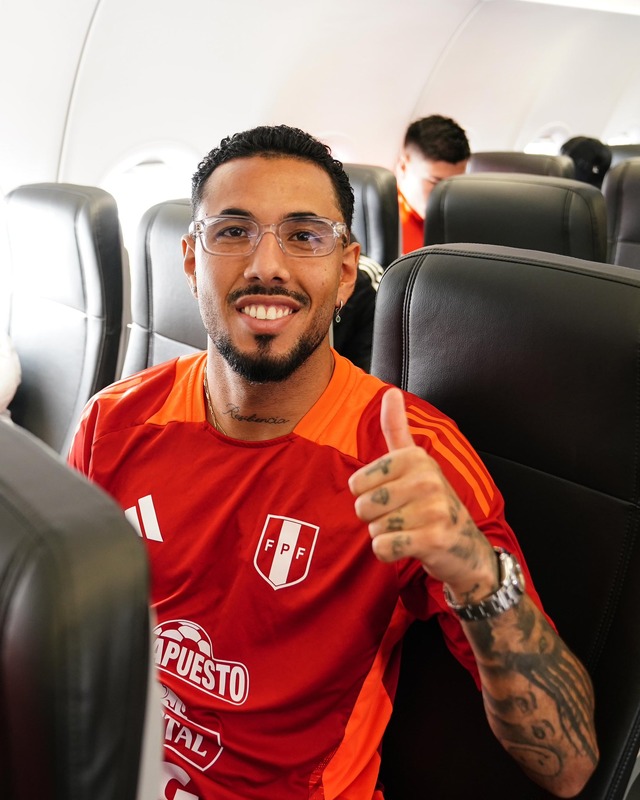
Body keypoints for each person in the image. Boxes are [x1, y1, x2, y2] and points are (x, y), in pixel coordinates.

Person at [68, 124, 597, 800]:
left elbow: (569, 765)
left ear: (346, 272)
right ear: (192, 261)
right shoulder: (114, 424)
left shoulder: (411, 456)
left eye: (304, 235)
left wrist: (472, 567)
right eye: (233, 232)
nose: (267, 266)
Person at [396, 115, 471, 253]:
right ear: (403, 166)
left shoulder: (465, 220)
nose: (446, 195)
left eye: (455, 183)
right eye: (435, 182)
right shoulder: (382, 220)